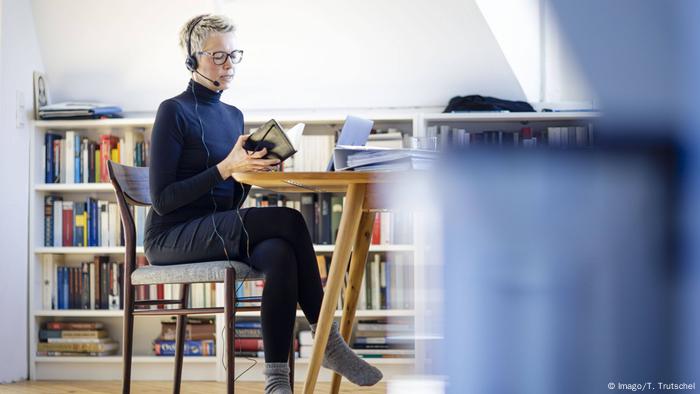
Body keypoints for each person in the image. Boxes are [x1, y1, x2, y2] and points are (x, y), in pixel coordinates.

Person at [143, 14, 382, 394]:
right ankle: (330, 342)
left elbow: (232, 195)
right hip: (171, 236)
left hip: (215, 227)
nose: (230, 65)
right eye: (219, 57)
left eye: (234, 55)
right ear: (192, 60)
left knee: (280, 253)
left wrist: (255, 169)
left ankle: (276, 382)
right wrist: (226, 167)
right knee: (289, 220)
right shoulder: (172, 111)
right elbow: (163, 199)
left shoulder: (232, 115)